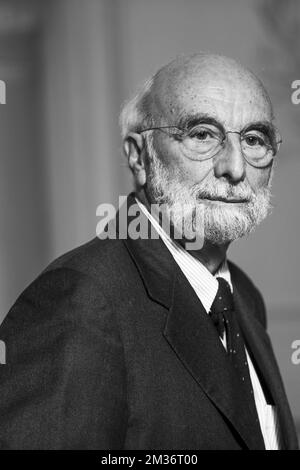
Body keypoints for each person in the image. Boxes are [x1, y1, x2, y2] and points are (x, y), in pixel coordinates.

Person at [0, 53, 298, 450]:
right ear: (139, 157)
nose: (235, 167)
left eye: (254, 140)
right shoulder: (81, 300)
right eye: (203, 135)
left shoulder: (242, 295)